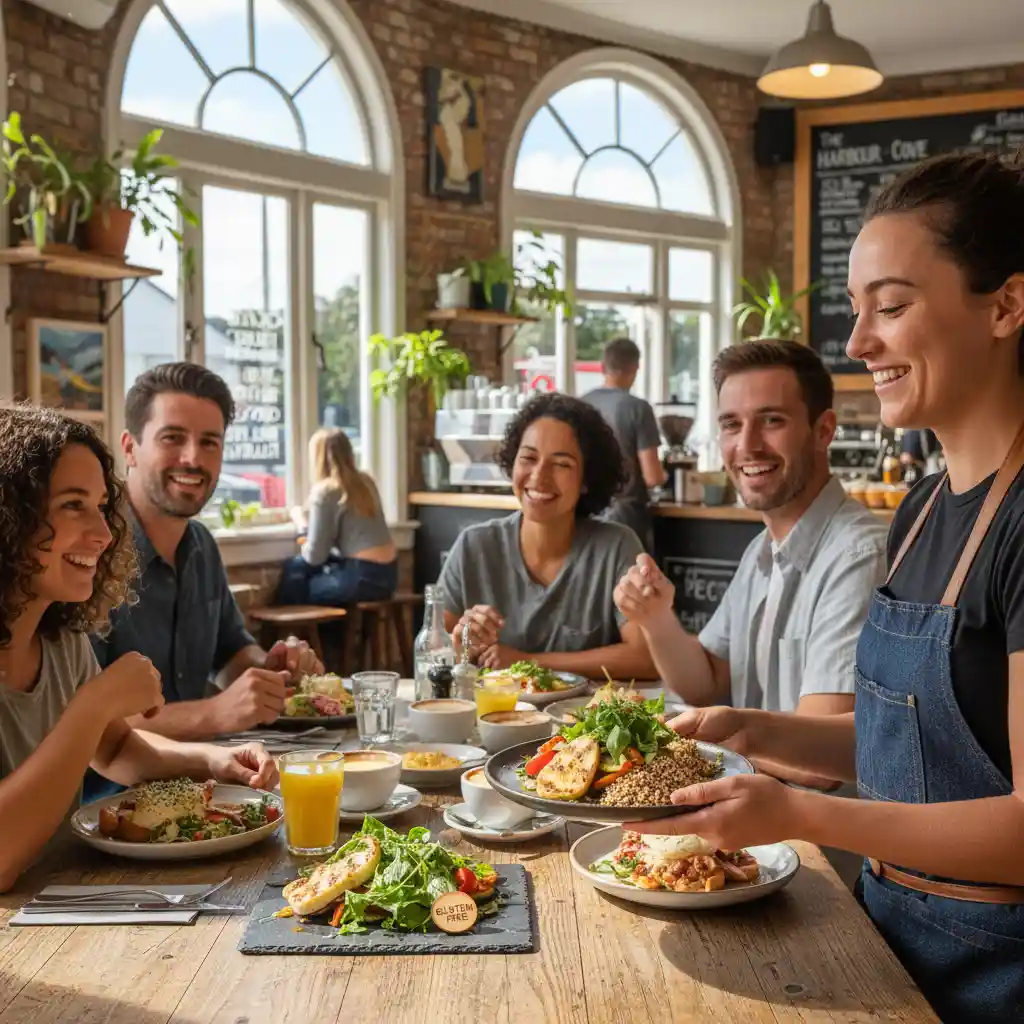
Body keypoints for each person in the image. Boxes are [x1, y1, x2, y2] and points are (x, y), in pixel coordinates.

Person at [632, 152, 1024, 1023]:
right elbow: (909, 750)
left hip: (990, 972)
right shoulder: (924, 509)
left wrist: (800, 812)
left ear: (1005, 305)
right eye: (859, 310)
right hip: (889, 933)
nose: (857, 344)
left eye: (892, 306)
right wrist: (749, 727)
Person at [0, 406, 278, 892]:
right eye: (73, 505)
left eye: (102, 506)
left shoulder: (62, 646)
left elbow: (116, 749)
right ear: (10, 516)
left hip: (59, 898)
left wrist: (212, 761)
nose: (105, 533)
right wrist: (97, 702)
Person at [614, 340, 887, 786]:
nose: (747, 445)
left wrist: (672, 750)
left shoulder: (858, 556)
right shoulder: (762, 548)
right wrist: (656, 619)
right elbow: (708, 683)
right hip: (753, 818)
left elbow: (819, 766)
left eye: (772, 421)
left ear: (823, 430)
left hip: (817, 844)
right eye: (731, 424)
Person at [92, 363, 322, 742]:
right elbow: (84, 723)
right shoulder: (89, 552)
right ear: (130, 448)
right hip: (109, 796)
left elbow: (229, 653)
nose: (193, 458)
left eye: (210, 442)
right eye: (172, 438)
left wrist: (269, 670)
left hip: (207, 779)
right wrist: (215, 713)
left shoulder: (202, 546)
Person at [439, 392, 656, 680]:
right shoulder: (473, 547)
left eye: (562, 464)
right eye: (528, 458)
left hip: (580, 720)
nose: (539, 477)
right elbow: (435, 652)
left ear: (587, 480)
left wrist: (528, 662)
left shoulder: (616, 547)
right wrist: (459, 645)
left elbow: (644, 658)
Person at [276, 428, 397, 606]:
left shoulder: (326, 491)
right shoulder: (366, 482)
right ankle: (335, 635)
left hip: (360, 578)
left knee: (296, 576)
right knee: (309, 574)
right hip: (388, 577)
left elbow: (314, 557)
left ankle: (288, 633)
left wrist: (301, 524)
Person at [582, 337, 666, 550]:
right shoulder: (638, 408)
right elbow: (653, 476)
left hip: (585, 513)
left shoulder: (581, 404)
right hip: (626, 518)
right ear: (636, 368)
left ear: (603, 367)